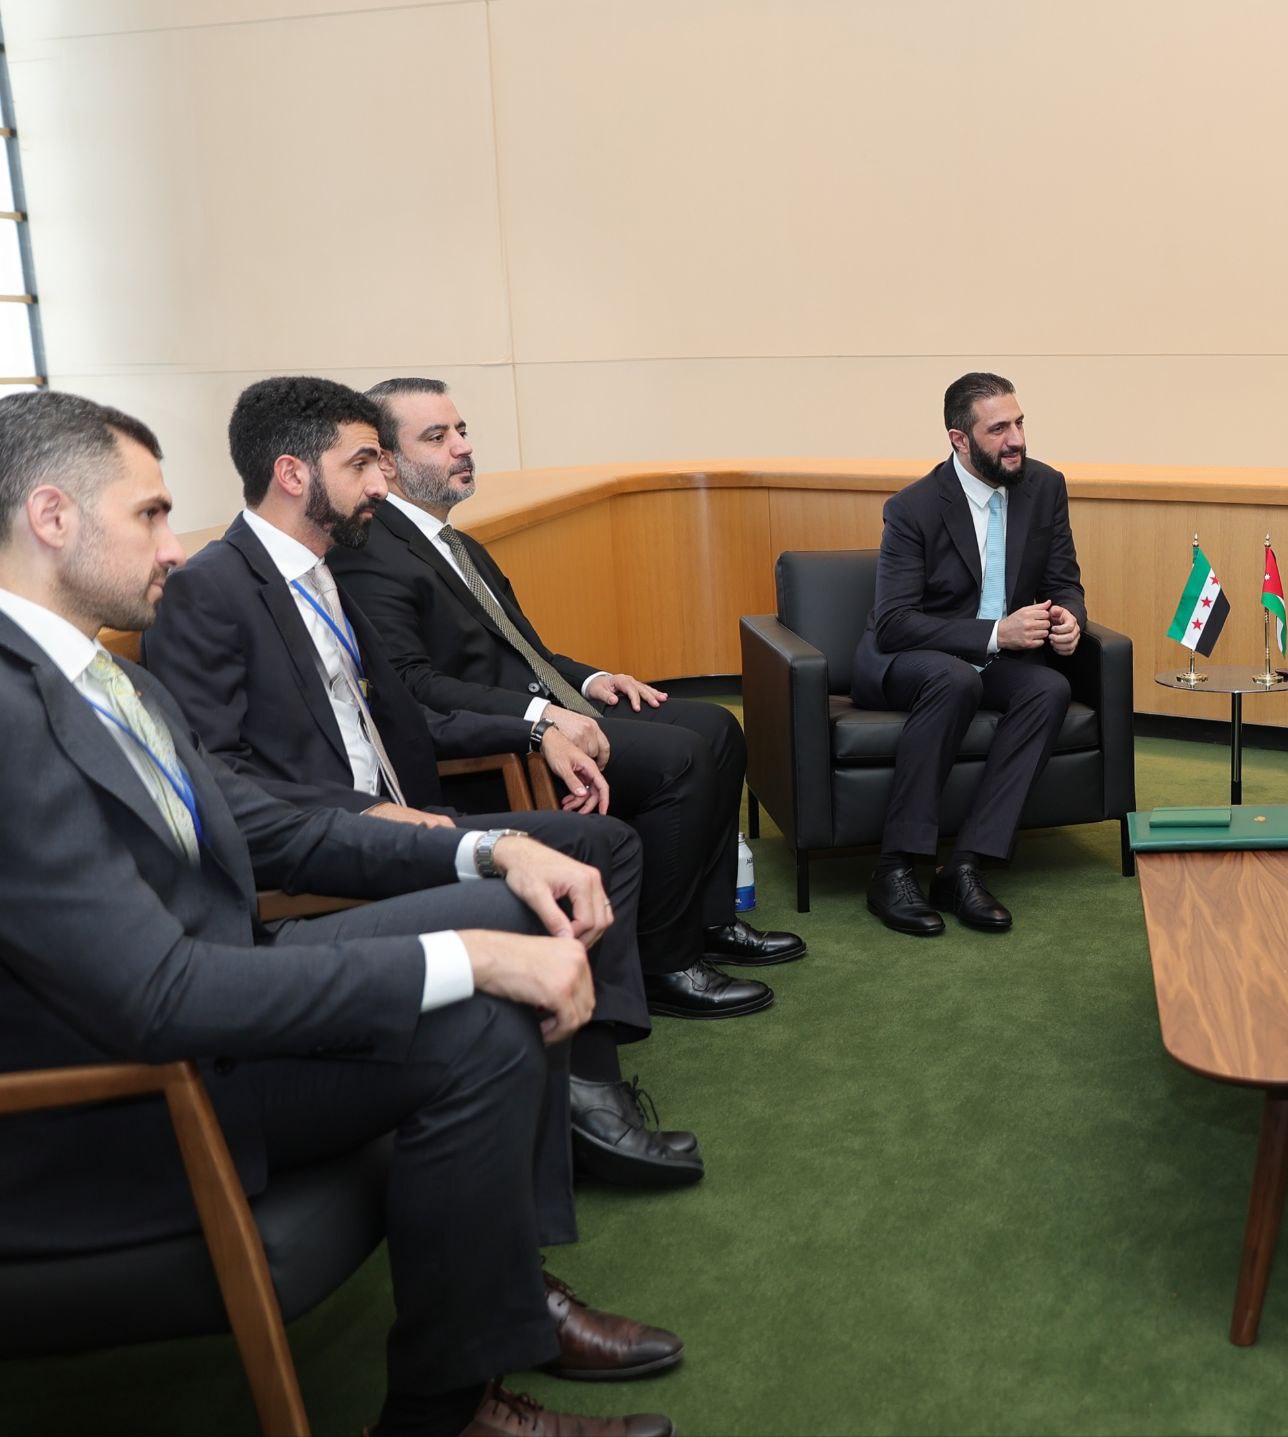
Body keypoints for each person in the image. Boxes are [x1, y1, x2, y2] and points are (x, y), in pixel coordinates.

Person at [0, 391, 677, 1437]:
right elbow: (158, 994)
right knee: (481, 1000)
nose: (175, 547)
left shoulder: (89, 673)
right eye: (148, 514)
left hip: (218, 995)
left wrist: (491, 844)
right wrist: (465, 956)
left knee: (512, 912)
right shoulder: (10, 709)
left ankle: (479, 1354)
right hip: (126, 1104)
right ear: (52, 517)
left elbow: (267, 832)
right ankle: (454, 1403)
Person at [144, 376, 703, 1189]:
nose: (380, 482)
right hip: (328, 847)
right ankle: (584, 1113)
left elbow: (419, 711)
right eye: (364, 462)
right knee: (537, 882)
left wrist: (537, 727)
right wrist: (369, 814)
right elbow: (218, 781)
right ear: (295, 473)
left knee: (602, 844)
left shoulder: (328, 573)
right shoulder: (211, 589)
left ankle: (588, 1087)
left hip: (409, 812)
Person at [332, 377, 796, 1018]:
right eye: (436, 438)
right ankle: (664, 963)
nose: (462, 447)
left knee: (719, 728)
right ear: (386, 460)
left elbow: (526, 650)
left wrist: (591, 680)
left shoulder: (451, 541)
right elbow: (414, 686)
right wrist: (540, 715)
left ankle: (708, 921)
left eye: (461, 430)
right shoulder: (371, 552)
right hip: (499, 739)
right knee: (679, 757)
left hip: (548, 703)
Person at [849, 371, 1085, 938]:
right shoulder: (913, 508)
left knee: (1049, 687)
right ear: (960, 439)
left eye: (1020, 423)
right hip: (908, 657)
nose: (1016, 440)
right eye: (998, 428)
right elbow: (896, 622)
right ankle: (895, 868)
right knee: (956, 681)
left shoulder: (1044, 487)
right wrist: (994, 634)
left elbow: (1064, 579)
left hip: (993, 659)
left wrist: (1067, 618)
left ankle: (965, 866)